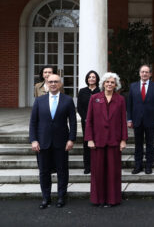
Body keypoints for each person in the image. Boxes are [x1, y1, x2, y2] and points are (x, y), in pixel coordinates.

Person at [29, 74, 76, 209]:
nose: (53, 84)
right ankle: (46, 197)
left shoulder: (68, 100)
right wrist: (33, 140)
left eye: (56, 81)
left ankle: (61, 196)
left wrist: (71, 139)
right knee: (44, 171)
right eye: (50, 82)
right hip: (42, 142)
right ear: (46, 84)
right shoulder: (39, 101)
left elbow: (72, 122)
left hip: (61, 142)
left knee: (62, 171)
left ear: (60, 84)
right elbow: (33, 123)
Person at [85, 72, 128, 207]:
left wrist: (123, 140)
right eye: (107, 82)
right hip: (97, 140)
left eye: (112, 82)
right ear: (103, 84)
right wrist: (89, 139)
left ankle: (112, 199)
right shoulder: (95, 98)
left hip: (114, 141)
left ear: (116, 85)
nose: (109, 84)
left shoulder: (120, 99)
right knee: (98, 171)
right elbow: (89, 120)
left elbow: (123, 121)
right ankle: (98, 199)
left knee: (113, 172)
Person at [127, 64, 154, 175]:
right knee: (138, 144)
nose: (144, 74)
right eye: (142, 72)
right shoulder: (133, 86)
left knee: (150, 144)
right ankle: (138, 165)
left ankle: (148, 166)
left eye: (147, 72)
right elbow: (129, 104)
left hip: (150, 120)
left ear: (150, 74)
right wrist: (129, 119)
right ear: (139, 73)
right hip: (137, 120)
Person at [77, 70, 100, 174]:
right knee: (87, 143)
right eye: (89, 77)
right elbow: (79, 107)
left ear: (97, 79)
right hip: (86, 122)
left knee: (98, 143)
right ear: (87, 79)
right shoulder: (82, 91)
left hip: (99, 122)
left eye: (93, 77)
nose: (91, 78)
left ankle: (96, 165)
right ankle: (87, 166)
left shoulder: (100, 91)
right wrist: (85, 118)